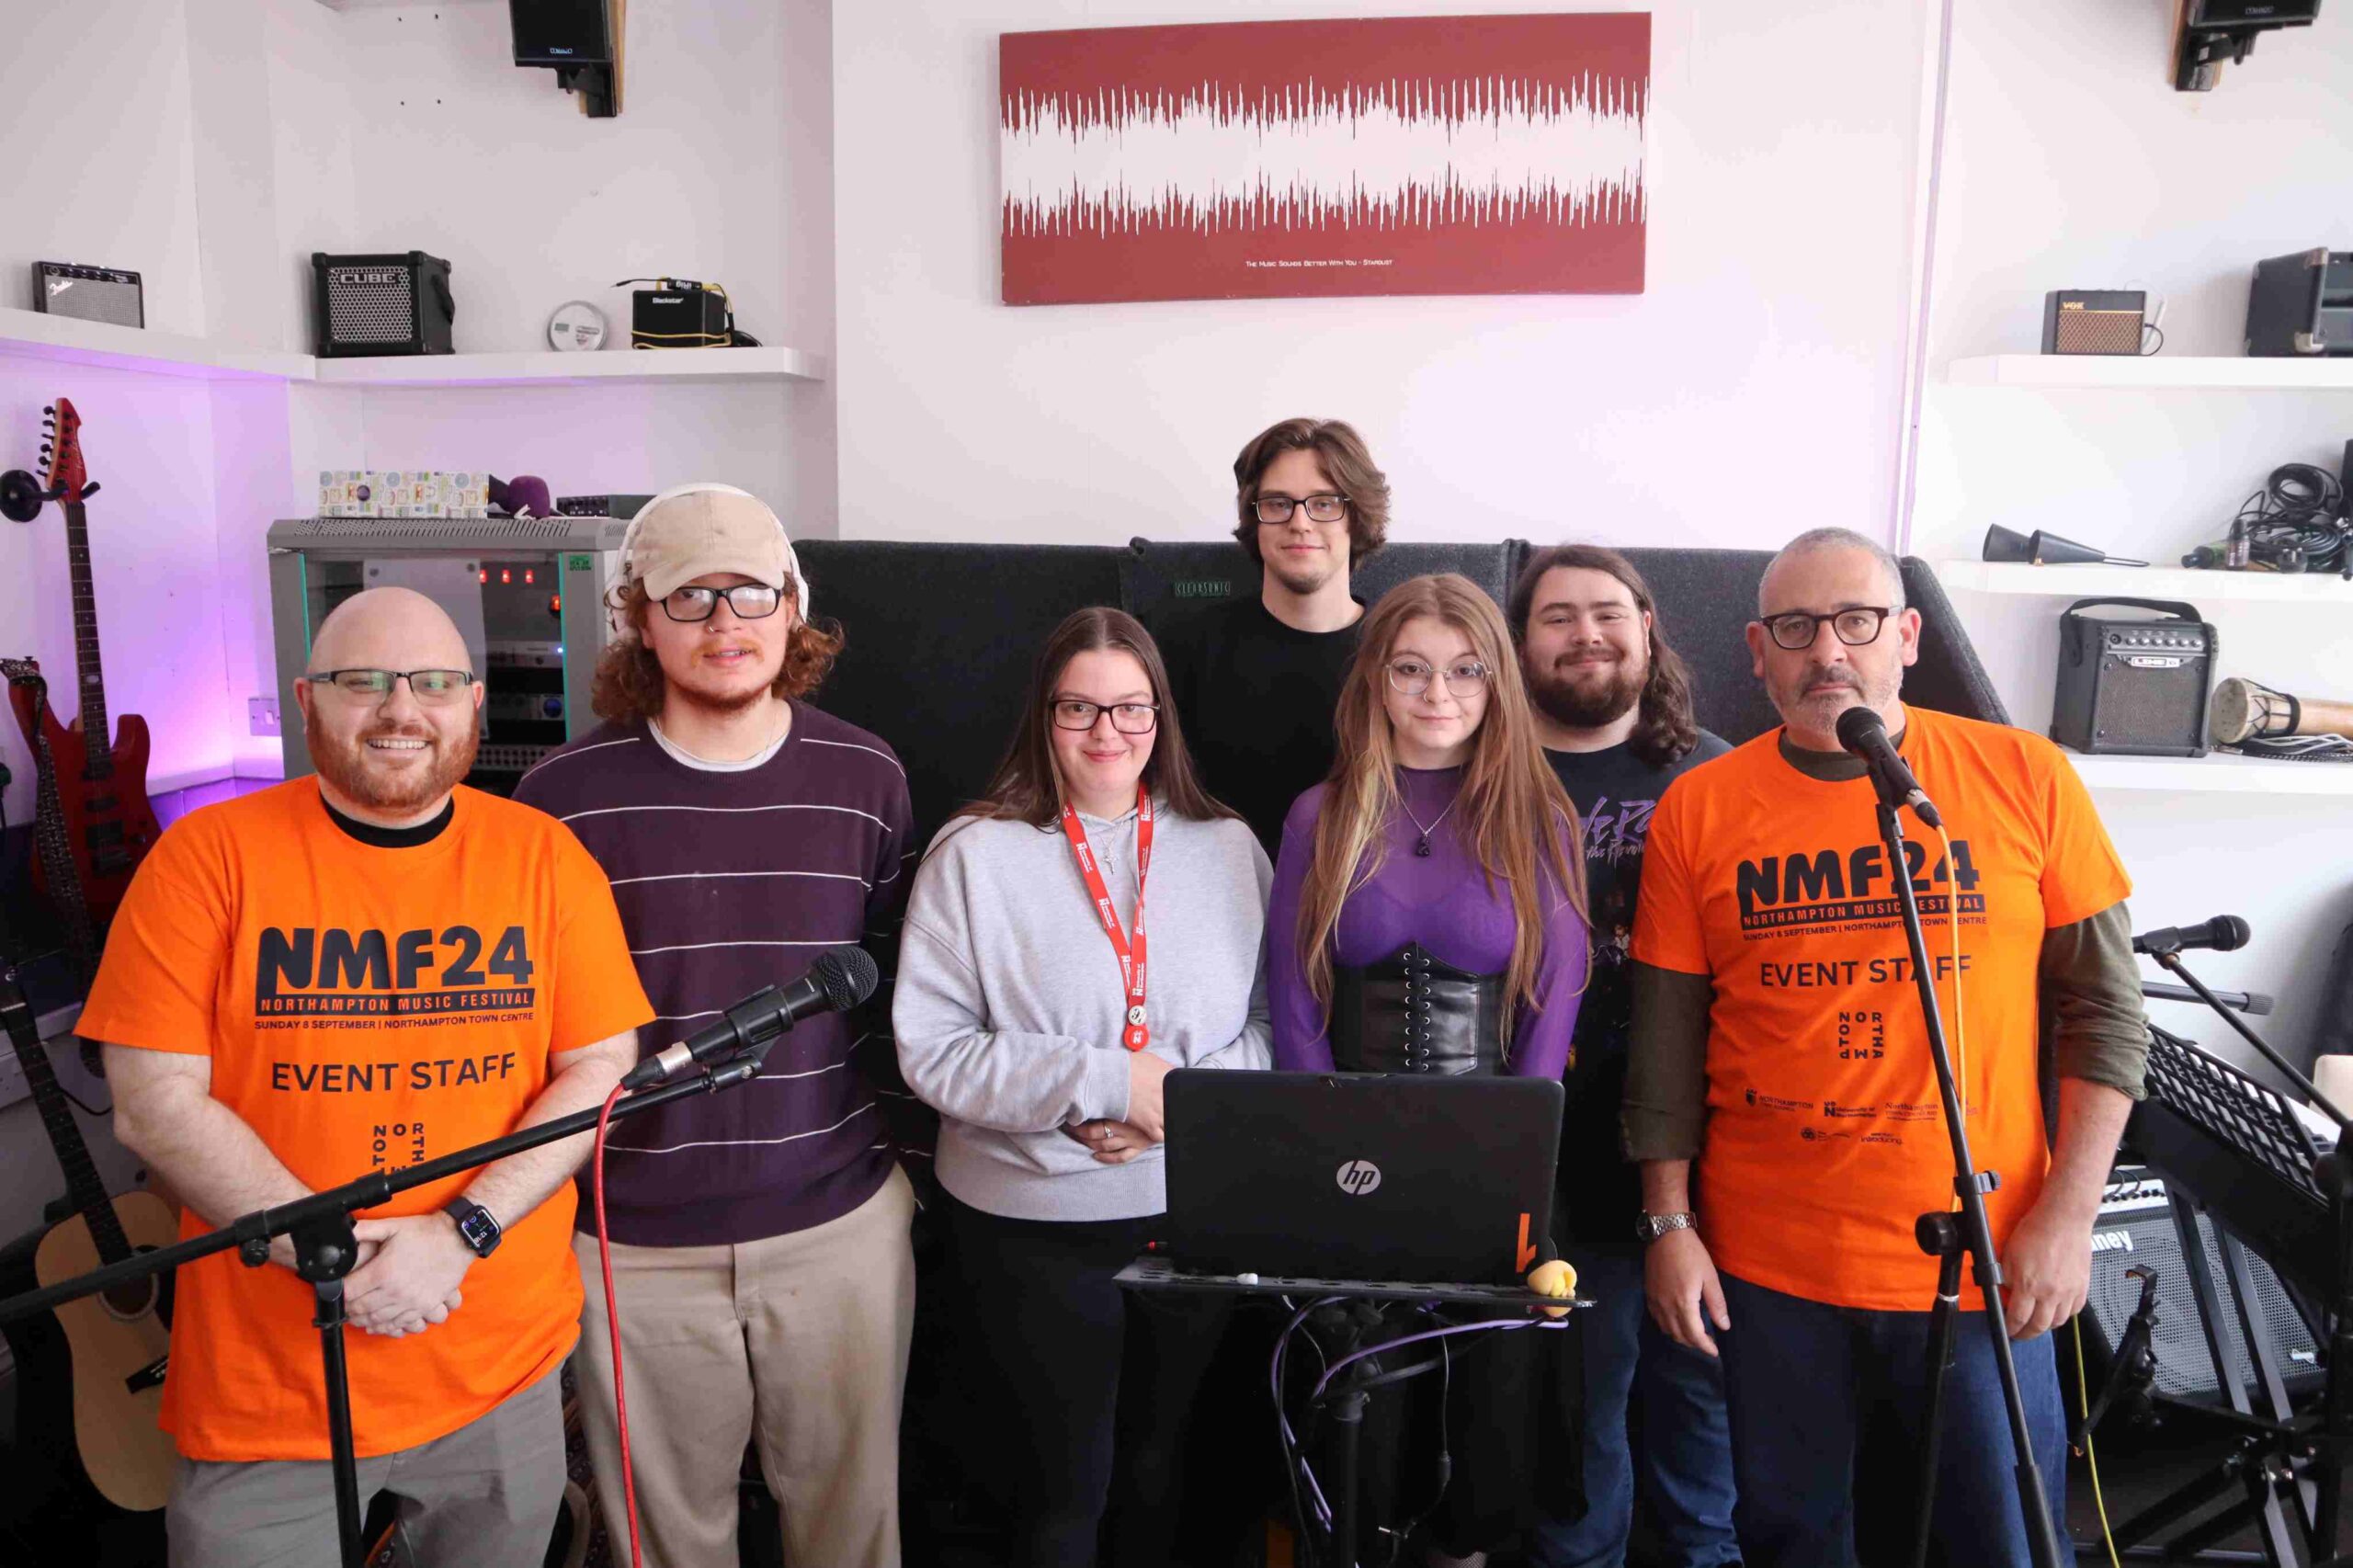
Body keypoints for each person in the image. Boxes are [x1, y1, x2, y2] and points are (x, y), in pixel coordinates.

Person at [79, 587, 652, 1568]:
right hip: (271, 1385)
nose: (400, 709)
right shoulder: (203, 859)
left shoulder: (546, 859)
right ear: (307, 700)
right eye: (362, 681)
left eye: (433, 682)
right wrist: (329, 1252)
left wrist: (460, 1232)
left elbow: (600, 1063)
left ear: (474, 703)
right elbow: (152, 1103)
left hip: (498, 1370)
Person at [1625, 527, 2149, 1567]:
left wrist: (2068, 1213)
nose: (1829, 650)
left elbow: (2104, 1012)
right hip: (1770, 1273)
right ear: (1757, 649)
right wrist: (1668, 1222)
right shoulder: (1701, 807)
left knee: (1993, 1540)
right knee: (1790, 1540)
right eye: (1797, 626)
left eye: (1856, 620)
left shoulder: (2022, 776)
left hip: (1983, 1267)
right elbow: (1665, 1044)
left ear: (1906, 635)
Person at [511, 484, 916, 1568]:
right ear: (639, 618)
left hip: (836, 1223)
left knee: (851, 1527)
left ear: (793, 609)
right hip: (632, 1241)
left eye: (749, 593)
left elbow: (897, 1000)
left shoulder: (866, 777)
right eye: (690, 597)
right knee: (668, 1542)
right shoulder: (561, 800)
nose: (724, 623)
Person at [892, 607, 1272, 1568]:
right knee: (1058, 1493)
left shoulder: (1228, 847)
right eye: (1079, 707)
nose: (1108, 731)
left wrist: (1170, 1107)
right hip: (1027, 1231)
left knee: (1161, 1477)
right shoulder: (973, 853)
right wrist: (1103, 1080)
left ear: (1162, 716)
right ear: (1043, 715)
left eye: (1131, 707)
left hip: (1187, 1217)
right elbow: (931, 1051)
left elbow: (1275, 1029)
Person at [1267, 573, 1590, 1563]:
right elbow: (1293, 1003)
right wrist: (1333, 1162)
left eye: (1463, 670)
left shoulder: (1540, 814)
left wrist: (1508, 1189)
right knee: (1357, 1433)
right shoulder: (1318, 815)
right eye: (1410, 668)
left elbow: (1551, 1014)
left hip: (1492, 1170)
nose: (1436, 693)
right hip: (1346, 1168)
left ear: (1496, 683)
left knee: (1481, 1442)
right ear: (1374, 680)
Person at [1507, 546, 1738, 1568]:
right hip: (1551, 1163)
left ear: (1649, 625)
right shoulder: (1486, 769)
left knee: (1702, 1437)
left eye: (1606, 611)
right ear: (1519, 644)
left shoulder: (1724, 776)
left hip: (1712, 1160)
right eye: (1556, 616)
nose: (1584, 633)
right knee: (1576, 1446)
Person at [1157, 416, 1390, 854]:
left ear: (1356, 518)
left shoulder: (1399, 654)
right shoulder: (1184, 649)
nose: (1299, 523)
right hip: (1219, 899)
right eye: (1278, 503)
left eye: (1323, 504)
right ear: (1255, 518)